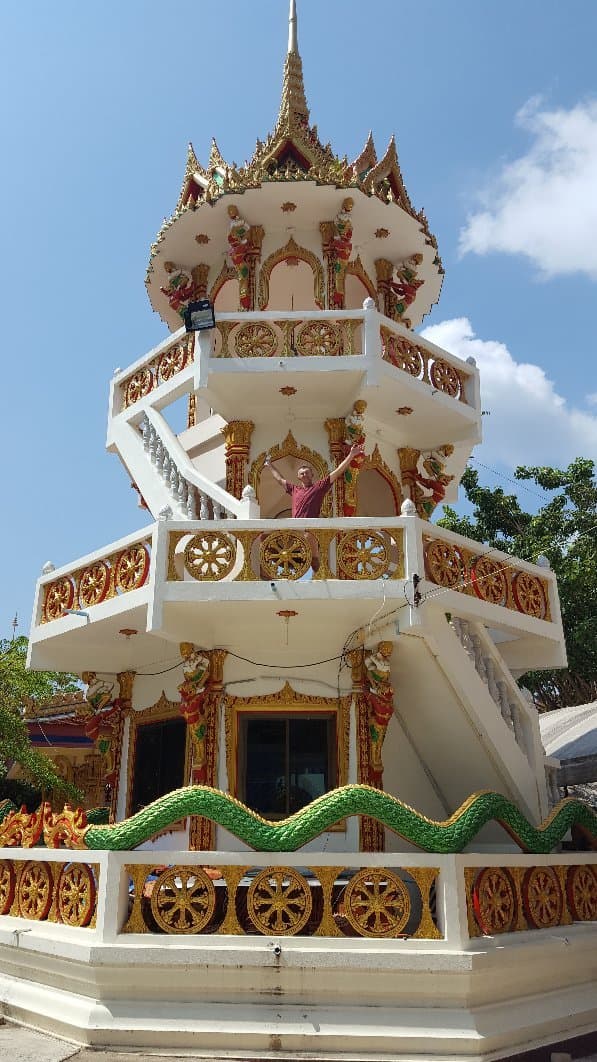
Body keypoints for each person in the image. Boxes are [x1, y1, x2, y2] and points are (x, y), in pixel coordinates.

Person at [264, 443, 364, 572]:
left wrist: (351, 455)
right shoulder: (294, 489)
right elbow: (279, 479)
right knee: (271, 545)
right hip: (294, 529)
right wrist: (269, 464)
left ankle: (321, 578)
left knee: (313, 557)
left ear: (312, 475)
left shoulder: (319, 487)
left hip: (309, 529)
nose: (304, 475)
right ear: (298, 477)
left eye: (307, 473)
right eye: (302, 474)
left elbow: (338, 471)